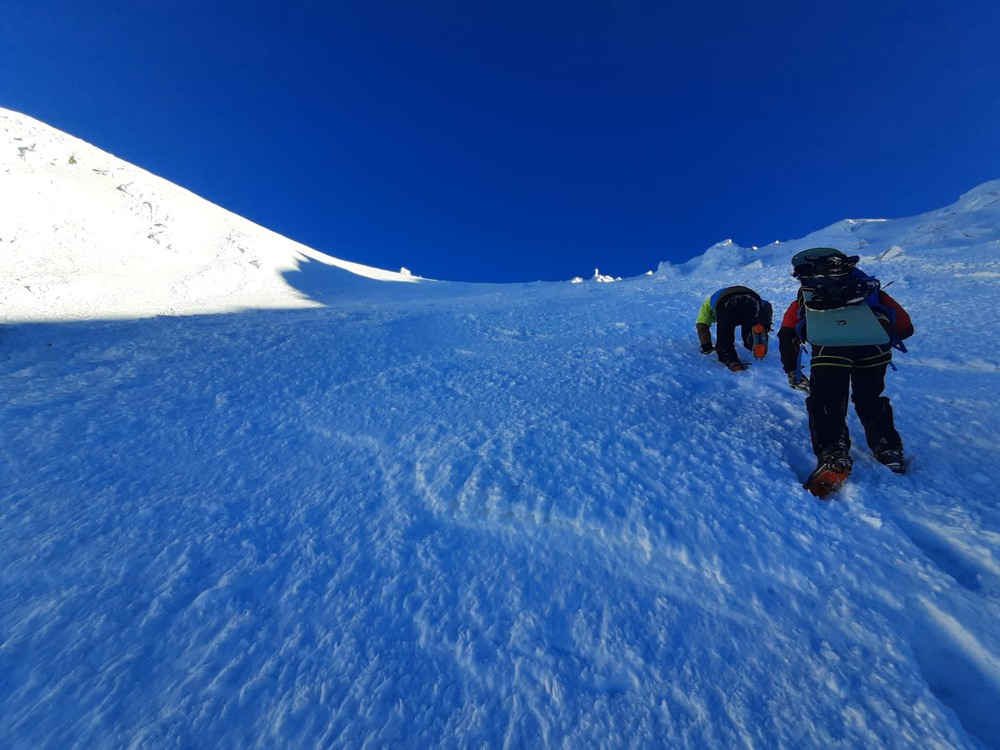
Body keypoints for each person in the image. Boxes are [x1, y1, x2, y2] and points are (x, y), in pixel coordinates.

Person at [777, 247, 914, 495]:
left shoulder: (805, 298)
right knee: (869, 397)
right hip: (874, 347)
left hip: (830, 349)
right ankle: (888, 449)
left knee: (826, 399)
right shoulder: (869, 290)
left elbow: (787, 335)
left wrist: (791, 370)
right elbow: (905, 327)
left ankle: (834, 453)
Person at [695, 286, 773, 371]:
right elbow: (766, 305)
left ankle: (731, 360)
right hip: (752, 298)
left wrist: (706, 346)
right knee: (749, 330)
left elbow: (701, 325)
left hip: (727, 300)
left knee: (725, 335)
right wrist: (764, 324)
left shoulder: (707, 305)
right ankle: (753, 340)